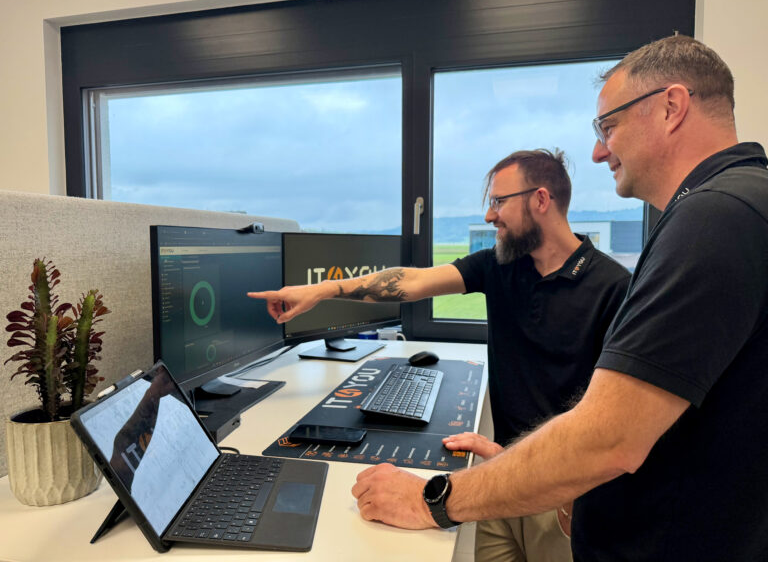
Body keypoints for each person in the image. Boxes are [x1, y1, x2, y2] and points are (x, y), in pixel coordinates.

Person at [349, 35, 768, 562]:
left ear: (671, 106)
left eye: (608, 126)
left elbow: (609, 438)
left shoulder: (715, 218)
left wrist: (433, 499)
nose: (598, 151)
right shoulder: (738, 204)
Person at [249, 148, 630, 562]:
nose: (490, 215)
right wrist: (321, 291)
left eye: (499, 201)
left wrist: (555, 489)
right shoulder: (500, 265)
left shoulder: (613, 289)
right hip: (498, 480)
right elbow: (412, 282)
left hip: (562, 496)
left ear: (541, 200)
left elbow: (609, 423)